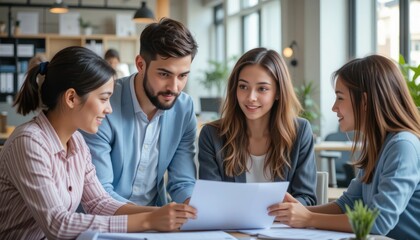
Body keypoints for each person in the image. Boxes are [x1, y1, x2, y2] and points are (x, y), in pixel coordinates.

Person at [0, 46, 196, 239]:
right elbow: (57, 224)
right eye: (104, 99)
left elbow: (98, 202)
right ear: (71, 98)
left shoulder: (76, 141)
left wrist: (160, 214)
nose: (109, 109)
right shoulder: (29, 142)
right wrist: (148, 221)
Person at [272, 55, 420, 239]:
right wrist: (293, 213)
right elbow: (348, 203)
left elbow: (378, 221)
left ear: (364, 101)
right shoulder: (379, 145)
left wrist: (309, 218)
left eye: (340, 98)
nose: (334, 107)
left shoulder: (402, 146)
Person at [81, 18, 199, 206]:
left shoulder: (184, 108)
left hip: (155, 224)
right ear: (140, 64)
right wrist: (154, 218)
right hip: (104, 222)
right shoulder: (104, 104)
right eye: (164, 74)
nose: (174, 88)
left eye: (183, 76)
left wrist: (193, 206)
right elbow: (100, 192)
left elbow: (182, 182)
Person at [198, 47, 317, 207]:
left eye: (262, 89)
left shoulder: (299, 131)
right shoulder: (212, 135)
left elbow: (307, 199)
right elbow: (211, 199)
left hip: (282, 229)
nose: (251, 97)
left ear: (278, 92)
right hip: (230, 229)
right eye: (243, 86)